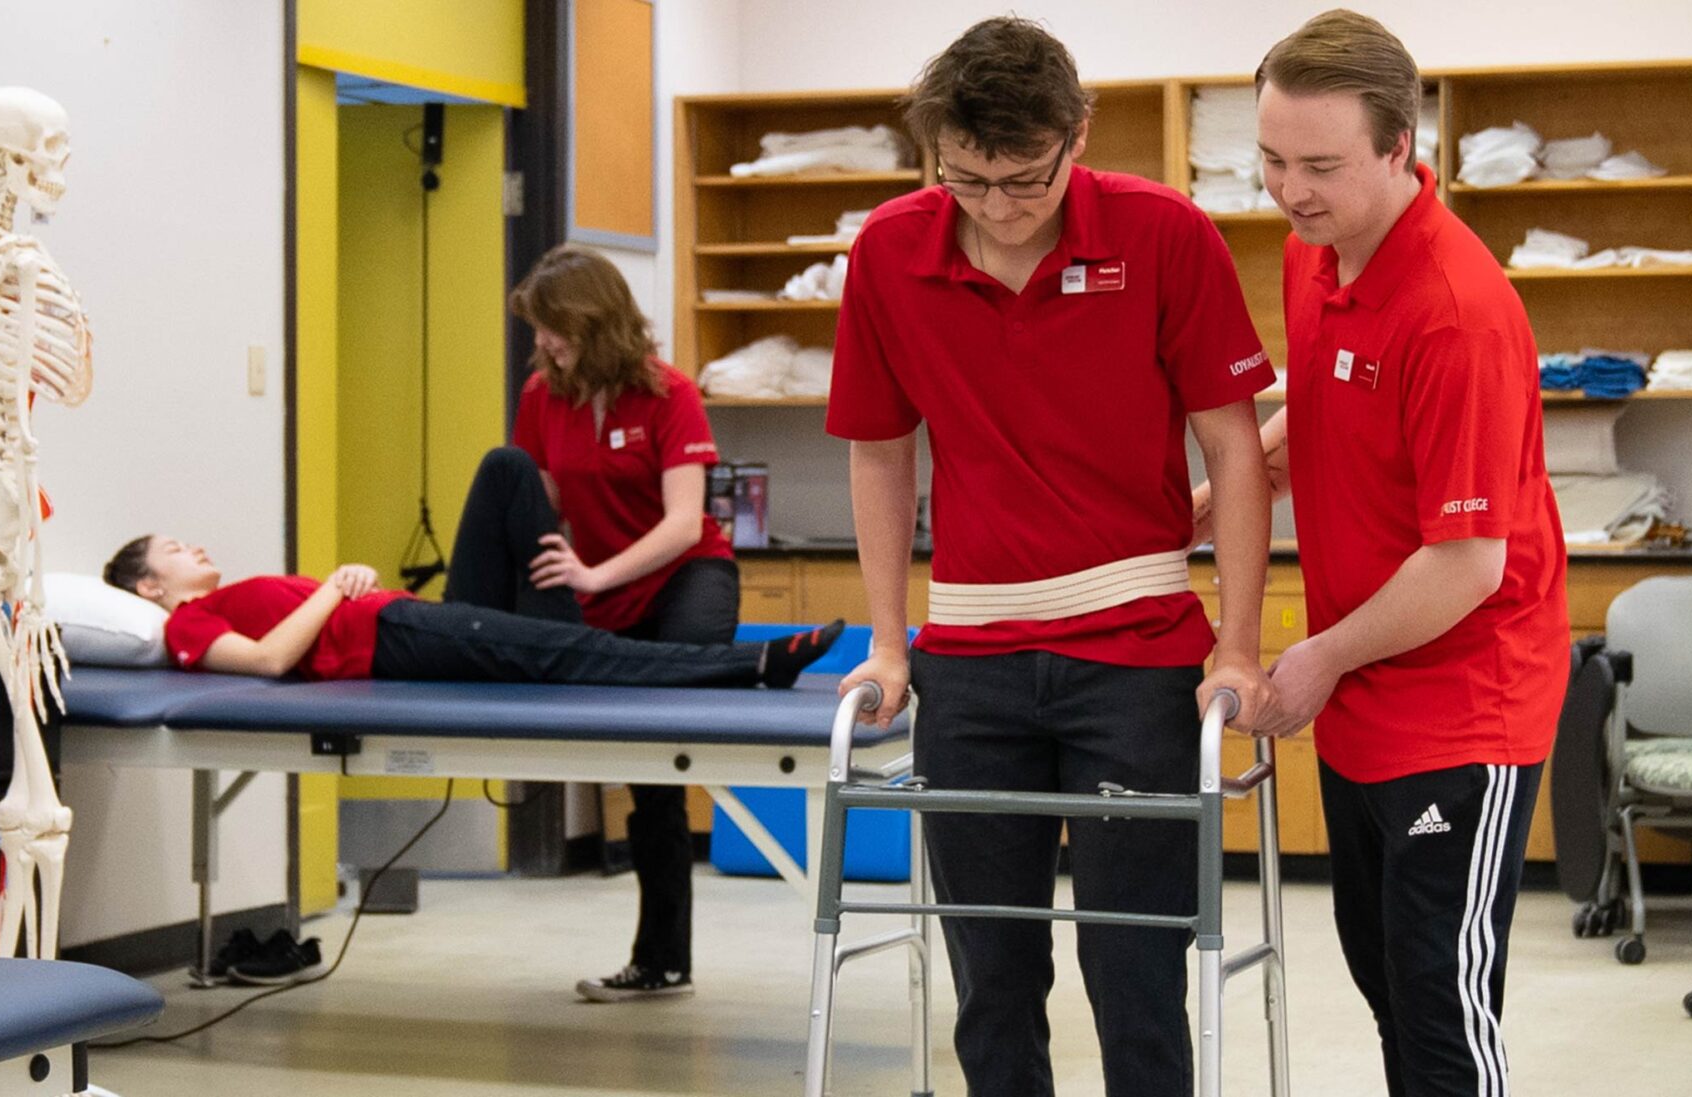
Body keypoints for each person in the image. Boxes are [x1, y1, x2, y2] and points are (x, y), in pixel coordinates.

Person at [825, 17, 1278, 1096]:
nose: (996, 205)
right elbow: (880, 455)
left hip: (1135, 655)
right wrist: (889, 640)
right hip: (971, 659)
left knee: (1133, 966)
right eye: (967, 180)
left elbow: (1233, 443)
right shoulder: (890, 249)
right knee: (991, 972)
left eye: (1023, 178)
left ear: (1078, 134)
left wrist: (1242, 643)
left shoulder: (1162, 232)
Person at [1240, 11, 1569, 1095]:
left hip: (1462, 700)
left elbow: (1465, 561)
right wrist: (1227, 487)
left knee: (1439, 1000)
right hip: (1365, 689)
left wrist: (1320, 655)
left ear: (1399, 148)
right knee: (1384, 975)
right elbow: (1331, 402)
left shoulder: (1455, 310)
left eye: (1320, 165)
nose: (1290, 190)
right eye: (1273, 159)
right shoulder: (1315, 254)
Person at [442, 244, 739, 1004]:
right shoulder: (544, 395)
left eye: (552, 327)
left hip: (681, 577)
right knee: (648, 781)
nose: (540, 342)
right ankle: (663, 961)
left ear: (593, 321)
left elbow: (681, 523)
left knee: (666, 735)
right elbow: (537, 508)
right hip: (596, 585)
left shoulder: (671, 394)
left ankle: (662, 957)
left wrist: (595, 572)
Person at [99, 535, 839, 689]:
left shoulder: (208, 603)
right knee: (572, 653)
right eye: (172, 547)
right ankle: (756, 661)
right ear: (149, 588)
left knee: (568, 650)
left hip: (404, 624)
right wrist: (333, 585)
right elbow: (267, 660)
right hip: (391, 634)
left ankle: (755, 661)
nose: (194, 544)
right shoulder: (183, 624)